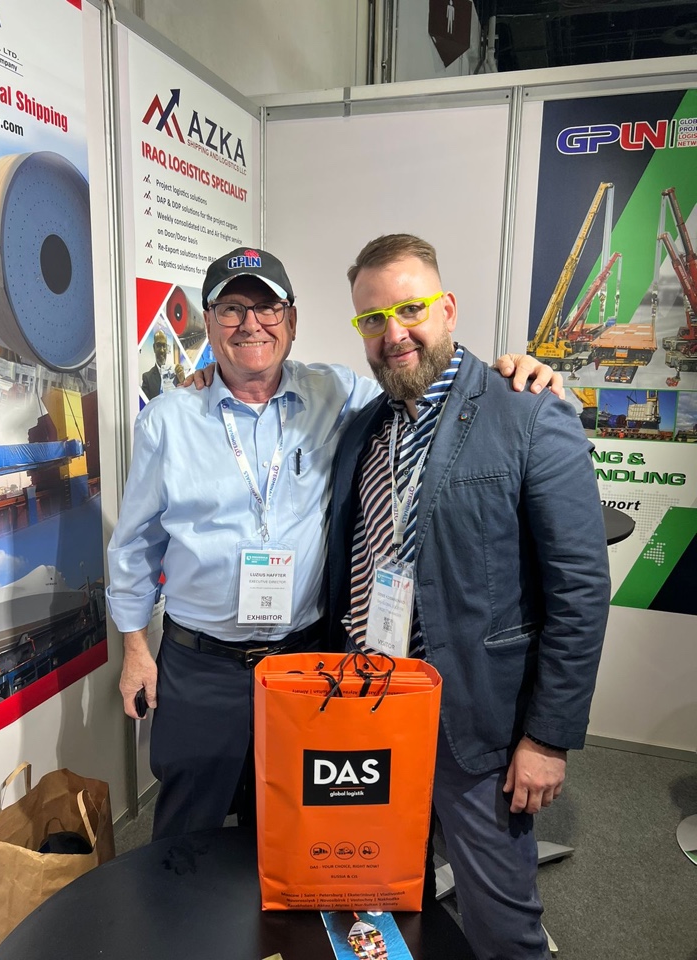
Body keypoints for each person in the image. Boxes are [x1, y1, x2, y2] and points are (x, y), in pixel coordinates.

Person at [107, 244, 566, 843]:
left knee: (297, 823)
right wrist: (135, 651)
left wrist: (512, 374)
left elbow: (423, 386)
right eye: (231, 309)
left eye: (268, 308)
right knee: (185, 831)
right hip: (201, 667)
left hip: (305, 662)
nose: (251, 324)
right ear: (210, 324)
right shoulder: (168, 420)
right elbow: (135, 545)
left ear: (292, 321)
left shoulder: (338, 394)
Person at [326, 234, 611, 960]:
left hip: (476, 721)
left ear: (447, 309)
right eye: (372, 318)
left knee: (500, 926)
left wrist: (547, 738)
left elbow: (580, 589)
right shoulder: (366, 426)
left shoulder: (528, 411)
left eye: (410, 309)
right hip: (373, 706)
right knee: (390, 900)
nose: (393, 333)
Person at [141, 328, 184, 399]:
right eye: (158, 345)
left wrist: (182, 381)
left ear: (167, 348)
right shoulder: (147, 378)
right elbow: (146, 404)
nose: (162, 350)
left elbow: (182, 398)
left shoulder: (175, 375)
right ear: (154, 348)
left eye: (164, 346)